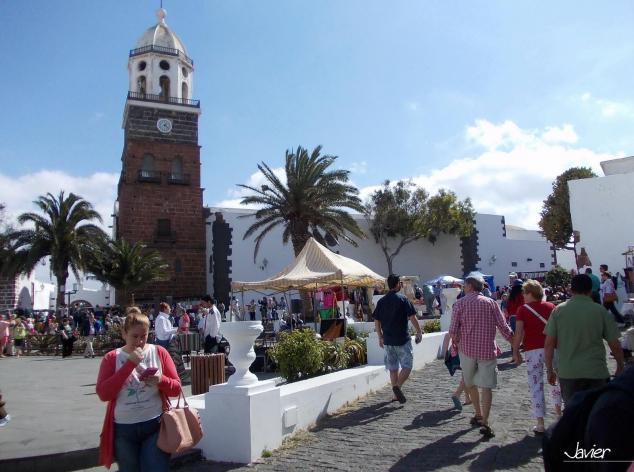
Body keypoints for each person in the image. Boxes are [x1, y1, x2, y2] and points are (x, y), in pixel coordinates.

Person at [96, 307, 181, 471]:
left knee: (156, 467)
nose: (140, 341)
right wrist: (130, 364)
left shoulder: (159, 352)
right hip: (124, 428)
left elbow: (176, 389)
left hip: (155, 424)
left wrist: (160, 380)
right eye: (134, 336)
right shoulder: (112, 358)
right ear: (124, 334)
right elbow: (104, 394)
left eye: (144, 336)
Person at [449, 272, 514, 438]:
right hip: (487, 350)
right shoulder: (491, 303)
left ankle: (478, 413)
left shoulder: (460, 304)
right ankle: (485, 420)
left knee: (470, 383)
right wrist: (514, 344)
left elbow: (452, 330)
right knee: (486, 386)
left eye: (464, 286)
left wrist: (456, 341)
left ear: (470, 286)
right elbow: (503, 326)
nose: (463, 288)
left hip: (467, 350)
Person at [544, 274, 624, 405]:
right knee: (596, 413)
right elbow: (614, 344)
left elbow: (549, 344)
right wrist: (620, 365)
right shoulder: (600, 311)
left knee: (573, 413)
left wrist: (549, 370)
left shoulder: (558, 311)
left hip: (569, 373)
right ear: (590, 290)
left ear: (571, 290)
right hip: (596, 371)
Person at [512, 280, 562, 434]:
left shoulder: (523, 310)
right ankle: (559, 416)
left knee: (536, 385)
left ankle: (540, 422)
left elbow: (519, 333)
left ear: (530, 293)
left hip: (532, 350)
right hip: (552, 349)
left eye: (524, 293)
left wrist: (515, 351)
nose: (523, 295)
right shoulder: (551, 307)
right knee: (556, 383)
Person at [373, 274, 423, 404]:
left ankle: (396, 394)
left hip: (388, 340)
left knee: (393, 368)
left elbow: (376, 320)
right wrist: (419, 331)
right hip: (402, 339)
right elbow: (412, 317)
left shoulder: (381, 301)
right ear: (397, 285)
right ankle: (397, 387)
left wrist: (380, 337)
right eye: (400, 283)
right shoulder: (403, 299)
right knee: (407, 366)